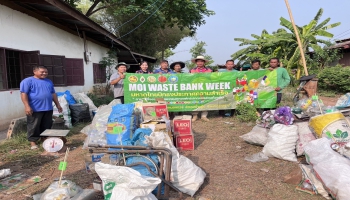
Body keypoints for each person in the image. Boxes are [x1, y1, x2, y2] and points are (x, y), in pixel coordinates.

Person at [20, 66, 62, 149]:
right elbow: (23, 94)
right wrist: (27, 106)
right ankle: (33, 142)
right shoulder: (28, 81)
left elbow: (53, 94)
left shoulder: (48, 81)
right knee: (33, 126)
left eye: (46, 72)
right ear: (34, 71)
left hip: (48, 108)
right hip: (35, 108)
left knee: (47, 125)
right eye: (42, 72)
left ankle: (45, 139)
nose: (44, 73)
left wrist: (58, 105)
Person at [190, 55, 212, 122]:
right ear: (196, 63)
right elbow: (189, 79)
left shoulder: (209, 70)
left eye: (201, 61)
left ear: (204, 62)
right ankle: (195, 115)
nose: (200, 63)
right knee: (195, 101)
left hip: (205, 87)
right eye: (198, 61)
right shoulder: (192, 70)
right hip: (195, 88)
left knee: (205, 100)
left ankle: (204, 116)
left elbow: (212, 78)